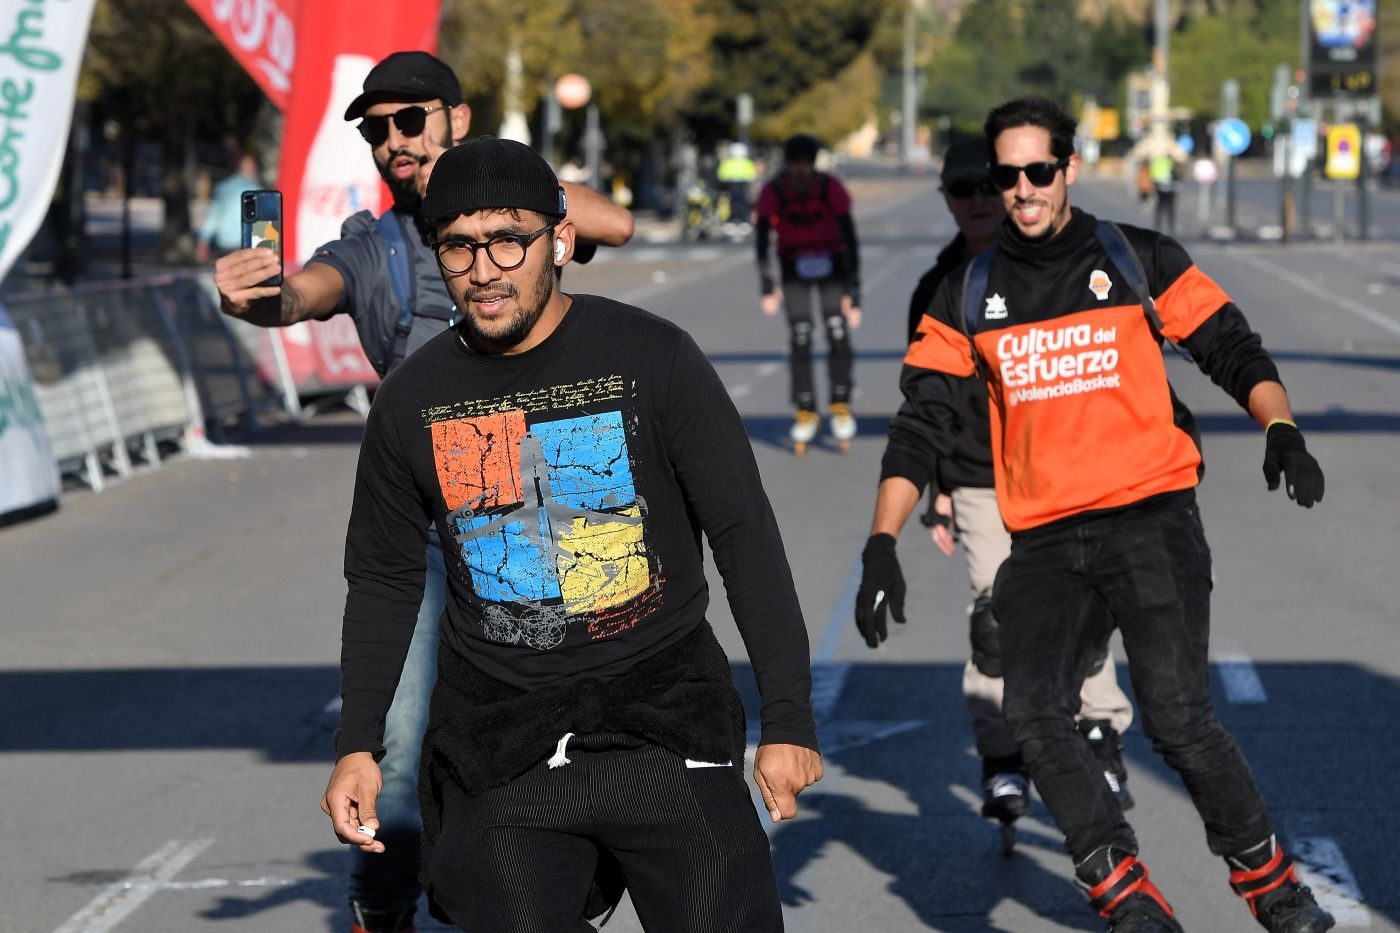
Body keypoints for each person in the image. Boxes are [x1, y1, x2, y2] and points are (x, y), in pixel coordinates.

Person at [320, 136, 822, 933]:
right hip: (500, 739)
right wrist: (359, 746)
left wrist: (787, 719)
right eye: (459, 245)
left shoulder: (652, 357)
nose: (484, 269)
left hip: (662, 720)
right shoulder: (412, 400)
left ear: (558, 238)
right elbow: (382, 579)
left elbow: (745, 536)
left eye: (508, 239)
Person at [856, 96, 1331, 933]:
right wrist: (880, 543)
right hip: (1042, 538)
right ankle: (1125, 895)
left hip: (1151, 517)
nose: (1022, 190)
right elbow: (918, 424)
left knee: (1178, 715)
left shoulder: (1134, 255)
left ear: (1069, 168)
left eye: (1040, 171)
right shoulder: (966, 290)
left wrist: (1280, 427)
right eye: (1006, 176)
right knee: (1031, 707)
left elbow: (1229, 343)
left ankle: (1273, 885)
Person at [212, 51, 633, 933]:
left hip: (546, 517)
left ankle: (561, 896)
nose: (394, 142)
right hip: (429, 533)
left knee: (575, 736)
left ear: (457, 116)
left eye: (412, 121)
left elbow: (617, 224)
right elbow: (299, 296)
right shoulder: (376, 248)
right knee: (396, 756)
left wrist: (487, 179)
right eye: (377, 131)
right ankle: (381, 903)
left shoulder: (520, 211)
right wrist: (257, 298)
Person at [896, 137, 1137, 828]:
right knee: (994, 616)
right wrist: (935, 487)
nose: (975, 200)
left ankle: (1100, 732)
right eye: (959, 190)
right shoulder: (938, 288)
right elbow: (926, 399)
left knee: (1084, 605)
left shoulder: (1053, 272)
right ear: (946, 198)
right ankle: (1002, 757)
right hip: (979, 480)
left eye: (987, 185)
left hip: (1072, 473)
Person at [754, 133, 862, 454]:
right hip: (793, 266)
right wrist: (766, 282)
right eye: (795, 166)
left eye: (806, 165)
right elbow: (761, 239)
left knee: (836, 330)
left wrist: (854, 289)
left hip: (831, 264)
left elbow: (850, 235)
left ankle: (840, 402)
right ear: (788, 165)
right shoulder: (774, 191)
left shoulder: (829, 188)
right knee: (800, 335)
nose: (801, 172)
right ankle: (805, 408)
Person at [195, 153, 260, 262]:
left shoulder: (223, 187)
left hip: (225, 242)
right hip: (245, 242)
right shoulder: (257, 190)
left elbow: (214, 215)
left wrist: (203, 240)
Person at [1148, 152, 1179, 235]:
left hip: (1161, 188)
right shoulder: (1170, 164)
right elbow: (1175, 176)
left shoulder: (1158, 163)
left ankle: (1158, 225)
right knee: (1169, 209)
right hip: (1169, 189)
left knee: (1160, 208)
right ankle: (1170, 226)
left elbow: (1153, 175)